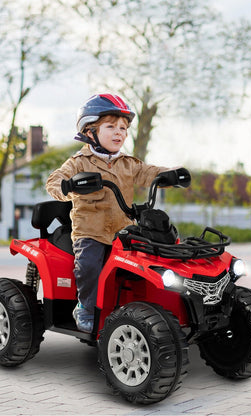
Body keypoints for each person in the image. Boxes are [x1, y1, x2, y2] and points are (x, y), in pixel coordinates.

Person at [46, 93, 170, 332]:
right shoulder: (79, 162)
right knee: (90, 266)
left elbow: (148, 172)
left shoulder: (128, 163)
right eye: (111, 126)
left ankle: (146, 310)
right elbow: (55, 179)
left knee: (149, 263)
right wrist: (66, 186)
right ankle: (86, 308)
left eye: (123, 128)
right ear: (90, 130)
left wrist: (170, 174)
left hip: (123, 231)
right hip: (90, 232)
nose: (119, 132)